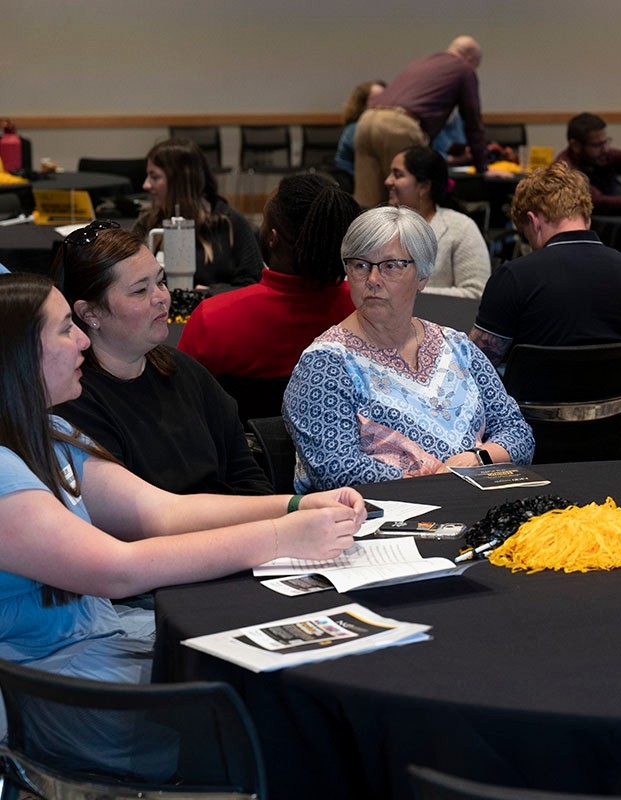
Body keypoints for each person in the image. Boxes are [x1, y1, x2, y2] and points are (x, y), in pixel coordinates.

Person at [0, 269, 361, 690]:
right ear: (18, 355)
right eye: (65, 330)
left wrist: (293, 505)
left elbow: (163, 511)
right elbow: (120, 570)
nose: (82, 340)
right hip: (65, 696)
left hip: (99, 652)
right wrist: (281, 537)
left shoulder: (50, 433)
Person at [283, 206, 534, 490]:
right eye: (360, 265)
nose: (373, 280)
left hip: (474, 502)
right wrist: (439, 480)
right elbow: (336, 470)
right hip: (378, 520)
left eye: (391, 266)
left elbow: (517, 433)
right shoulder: (325, 364)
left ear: (423, 277)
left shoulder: (457, 346)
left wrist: (476, 460)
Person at [52, 222, 271, 496]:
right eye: (140, 291)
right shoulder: (73, 402)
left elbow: (249, 477)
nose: (162, 298)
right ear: (89, 313)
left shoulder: (187, 372)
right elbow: (137, 519)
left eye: (160, 281)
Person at [176, 173, 364, 418]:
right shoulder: (363, 310)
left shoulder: (213, 319)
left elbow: (182, 407)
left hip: (242, 452)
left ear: (272, 239)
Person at [469, 162, 621, 388]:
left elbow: (475, 371)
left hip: (533, 421)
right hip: (619, 420)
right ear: (587, 218)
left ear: (533, 222)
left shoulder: (513, 277)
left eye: (527, 237)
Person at [355, 35, 491, 207]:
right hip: (399, 127)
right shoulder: (464, 68)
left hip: (366, 121)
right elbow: (472, 119)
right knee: (408, 204)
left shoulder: (424, 62)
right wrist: (483, 168)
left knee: (368, 203)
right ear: (471, 58)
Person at [135, 138, 263, 294]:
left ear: (180, 181)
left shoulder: (231, 224)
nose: (146, 185)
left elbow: (253, 285)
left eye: (155, 177)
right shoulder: (147, 225)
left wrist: (213, 293)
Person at [385, 145, 490, 299]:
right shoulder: (379, 225)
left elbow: (475, 294)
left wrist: (406, 292)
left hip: (444, 320)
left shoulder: (460, 228)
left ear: (424, 186)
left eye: (398, 175)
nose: (388, 181)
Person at [553, 113, 621, 216]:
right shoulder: (565, 171)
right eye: (597, 145)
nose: (605, 150)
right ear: (575, 146)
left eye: (606, 142)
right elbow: (597, 202)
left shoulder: (602, 155)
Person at [333, 79, 387, 191]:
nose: (383, 103)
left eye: (386, 97)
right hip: (354, 186)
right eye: (377, 99)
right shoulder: (355, 129)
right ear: (363, 104)